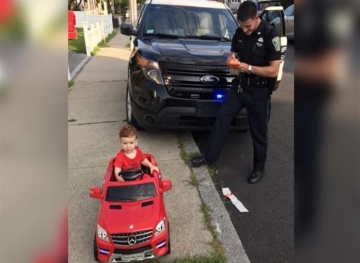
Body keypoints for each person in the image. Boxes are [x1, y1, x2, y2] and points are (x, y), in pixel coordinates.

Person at [190, 1, 281, 184]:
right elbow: (233, 55)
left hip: (259, 91)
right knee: (222, 118)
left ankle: (258, 168)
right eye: (241, 26)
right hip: (239, 87)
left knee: (259, 132)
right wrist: (230, 59)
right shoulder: (239, 33)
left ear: (256, 18)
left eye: (248, 26)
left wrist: (248, 68)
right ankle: (209, 157)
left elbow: (273, 70)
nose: (245, 30)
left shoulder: (271, 34)